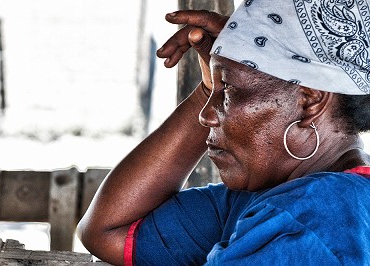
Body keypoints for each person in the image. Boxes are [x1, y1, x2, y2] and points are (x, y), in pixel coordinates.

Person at [77, 0, 370, 265]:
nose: (204, 115)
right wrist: (211, 83)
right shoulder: (276, 201)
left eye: (227, 90)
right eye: (211, 90)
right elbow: (109, 231)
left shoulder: (306, 219)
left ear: (309, 101)